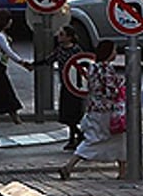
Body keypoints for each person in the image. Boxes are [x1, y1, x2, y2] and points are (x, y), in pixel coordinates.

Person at [58, 40, 125, 180]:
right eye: (113, 50)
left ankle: (69, 166)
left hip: (94, 110)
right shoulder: (106, 69)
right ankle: (122, 171)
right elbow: (110, 90)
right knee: (119, 139)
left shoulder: (92, 67)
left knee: (93, 140)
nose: (115, 53)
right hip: (108, 111)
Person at [39, 25, 84, 150]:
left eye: (62, 34)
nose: (59, 37)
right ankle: (77, 135)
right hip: (65, 84)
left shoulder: (76, 50)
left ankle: (76, 137)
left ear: (69, 37)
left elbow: (83, 65)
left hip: (75, 86)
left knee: (74, 114)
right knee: (66, 114)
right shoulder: (59, 50)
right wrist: (33, 65)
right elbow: (48, 60)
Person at [0, 10, 32, 125]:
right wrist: (22, 63)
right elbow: (9, 52)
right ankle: (15, 118)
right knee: (6, 92)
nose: (11, 22)